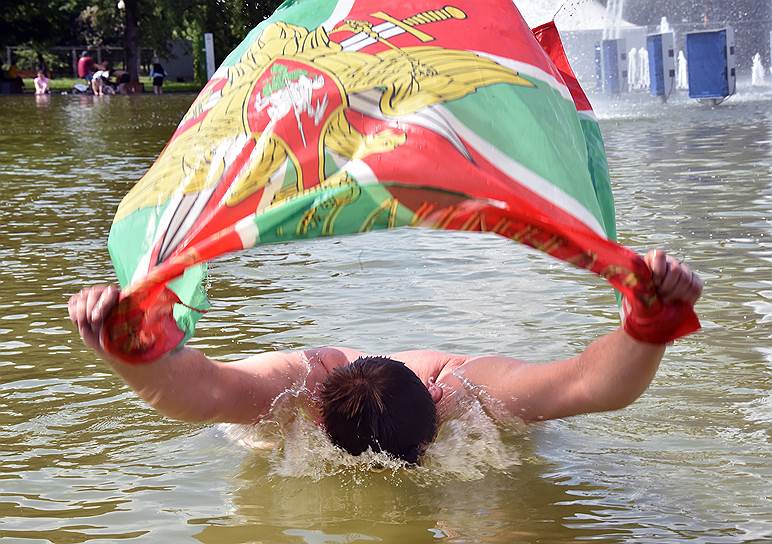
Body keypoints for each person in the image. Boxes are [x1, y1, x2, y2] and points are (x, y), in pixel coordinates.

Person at [69, 250, 702, 464]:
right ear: (316, 410)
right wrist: (647, 322)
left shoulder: (463, 389)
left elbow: (199, 395)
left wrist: (128, 347)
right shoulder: (299, 380)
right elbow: (590, 387)